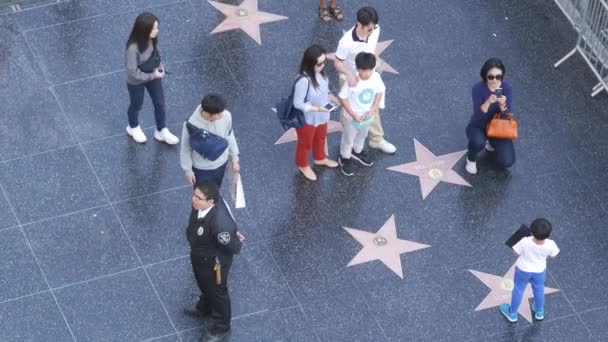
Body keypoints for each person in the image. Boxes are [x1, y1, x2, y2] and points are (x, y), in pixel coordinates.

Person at [183, 181, 244, 341]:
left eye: (199, 198)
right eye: (194, 195)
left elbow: (233, 245)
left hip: (214, 262)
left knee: (218, 292)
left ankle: (221, 327)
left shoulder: (220, 224)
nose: (194, 199)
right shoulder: (201, 205)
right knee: (204, 284)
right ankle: (205, 305)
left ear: (211, 201)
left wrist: (235, 237)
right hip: (200, 254)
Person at [333, 6, 396, 154]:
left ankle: (376, 139)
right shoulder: (346, 42)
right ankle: (349, 137)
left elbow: (371, 49)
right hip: (351, 78)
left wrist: (374, 62)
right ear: (359, 24)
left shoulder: (375, 29)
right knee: (350, 108)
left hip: (369, 74)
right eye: (369, 29)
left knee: (369, 108)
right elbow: (337, 62)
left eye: (373, 28)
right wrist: (348, 74)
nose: (372, 32)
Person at [125, 12, 179, 145]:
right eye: (153, 29)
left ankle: (161, 130)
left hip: (153, 74)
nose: (157, 31)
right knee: (136, 104)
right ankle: (133, 127)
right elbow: (133, 73)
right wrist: (153, 75)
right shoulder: (133, 48)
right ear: (144, 30)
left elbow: (155, 54)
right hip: (137, 81)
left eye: (156, 27)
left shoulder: (152, 39)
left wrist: (159, 66)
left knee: (160, 103)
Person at [292, 45, 339, 181]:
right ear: (310, 63)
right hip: (308, 118)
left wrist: (331, 97)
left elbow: (325, 88)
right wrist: (317, 109)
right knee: (305, 143)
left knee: (321, 138)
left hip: (322, 115)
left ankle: (320, 157)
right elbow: (298, 103)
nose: (323, 66)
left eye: (324, 62)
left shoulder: (320, 74)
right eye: (319, 63)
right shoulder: (303, 80)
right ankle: (303, 164)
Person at [500, 218, 559, 322]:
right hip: (539, 271)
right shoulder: (551, 244)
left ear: (531, 231)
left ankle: (512, 313)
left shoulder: (525, 241)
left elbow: (516, 252)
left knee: (518, 290)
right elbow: (554, 255)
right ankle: (539, 312)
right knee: (539, 289)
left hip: (523, 270)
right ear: (550, 234)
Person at [338, 52, 385, 176]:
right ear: (358, 69)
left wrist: (373, 109)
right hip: (352, 117)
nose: (367, 73)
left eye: (370, 70)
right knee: (348, 138)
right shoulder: (352, 81)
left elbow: (380, 92)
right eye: (364, 70)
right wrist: (353, 115)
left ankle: (357, 151)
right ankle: (345, 157)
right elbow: (343, 98)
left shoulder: (376, 77)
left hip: (367, 116)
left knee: (363, 134)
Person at [465, 58, 515, 174]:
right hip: (479, 126)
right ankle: (471, 158)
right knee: (478, 142)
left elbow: (507, 118)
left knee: (507, 161)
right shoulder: (478, 88)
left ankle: (491, 142)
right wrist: (488, 102)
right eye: (491, 77)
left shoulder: (506, 88)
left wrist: (503, 106)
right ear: (485, 76)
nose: (495, 80)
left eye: (498, 77)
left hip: (498, 127)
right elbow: (477, 118)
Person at [180, 94, 240, 188]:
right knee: (201, 197)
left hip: (221, 164)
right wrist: (188, 170)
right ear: (208, 114)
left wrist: (234, 158)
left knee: (215, 192)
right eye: (219, 114)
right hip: (201, 169)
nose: (222, 115)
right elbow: (185, 148)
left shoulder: (226, 115)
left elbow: (229, 135)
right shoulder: (191, 125)